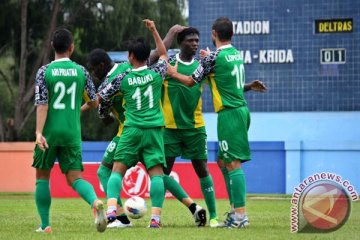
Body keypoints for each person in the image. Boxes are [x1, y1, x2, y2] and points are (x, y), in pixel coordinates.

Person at [167, 17, 267, 228]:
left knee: (233, 163)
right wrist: (208, 58)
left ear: (214, 34)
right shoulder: (235, 54)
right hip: (239, 111)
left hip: (230, 114)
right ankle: (233, 211)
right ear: (232, 34)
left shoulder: (213, 58)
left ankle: (240, 216)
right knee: (223, 162)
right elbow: (223, 77)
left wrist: (172, 72)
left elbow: (190, 80)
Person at [32, 28, 107, 233]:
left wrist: (39, 133)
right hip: (72, 133)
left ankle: (45, 225)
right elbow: (93, 101)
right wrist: (79, 107)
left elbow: (42, 104)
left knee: (42, 177)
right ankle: (94, 202)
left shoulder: (44, 72)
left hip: (49, 133)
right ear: (72, 48)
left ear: (52, 47)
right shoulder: (81, 71)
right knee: (75, 178)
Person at [97, 19, 167, 228]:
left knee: (117, 170)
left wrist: (101, 111)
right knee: (156, 174)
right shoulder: (157, 73)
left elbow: (104, 97)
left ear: (130, 57)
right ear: (147, 56)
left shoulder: (123, 78)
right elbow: (163, 54)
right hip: (154, 129)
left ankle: (111, 213)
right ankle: (155, 219)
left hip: (132, 129)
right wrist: (154, 30)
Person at [87, 48, 133, 228]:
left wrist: (102, 112)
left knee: (106, 171)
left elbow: (106, 120)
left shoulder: (106, 84)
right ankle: (193, 207)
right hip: (150, 128)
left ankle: (120, 217)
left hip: (127, 132)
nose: (93, 73)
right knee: (159, 173)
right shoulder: (127, 67)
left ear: (102, 65)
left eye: (93, 69)